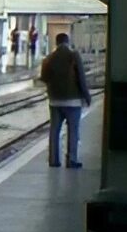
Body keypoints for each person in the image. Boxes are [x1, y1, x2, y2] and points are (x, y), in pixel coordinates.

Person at [39, 32, 91, 168]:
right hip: (73, 101)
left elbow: (44, 78)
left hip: (55, 101)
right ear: (68, 42)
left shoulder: (48, 58)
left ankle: (53, 160)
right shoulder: (74, 56)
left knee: (54, 131)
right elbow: (81, 78)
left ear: (56, 43)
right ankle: (71, 160)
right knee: (73, 131)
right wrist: (87, 96)